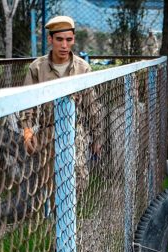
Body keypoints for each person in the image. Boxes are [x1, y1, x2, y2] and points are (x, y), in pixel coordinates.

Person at [20, 15, 100, 208]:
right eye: (59, 39)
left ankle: (69, 211)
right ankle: (57, 217)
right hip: (49, 129)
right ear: (50, 40)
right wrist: (27, 131)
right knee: (52, 177)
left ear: (73, 39)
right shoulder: (37, 68)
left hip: (75, 129)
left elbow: (92, 106)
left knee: (80, 175)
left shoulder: (82, 68)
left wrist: (96, 137)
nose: (64, 45)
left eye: (69, 39)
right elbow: (27, 102)